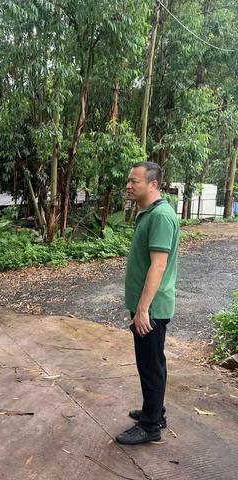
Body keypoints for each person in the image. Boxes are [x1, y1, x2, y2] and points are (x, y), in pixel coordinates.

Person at [116, 161, 179, 445]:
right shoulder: (148, 213)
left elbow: (159, 265)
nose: (128, 186)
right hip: (147, 306)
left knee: (150, 365)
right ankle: (155, 411)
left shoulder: (161, 216)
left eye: (134, 181)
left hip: (151, 308)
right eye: (128, 181)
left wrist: (143, 309)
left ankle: (150, 427)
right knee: (152, 363)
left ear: (153, 184)